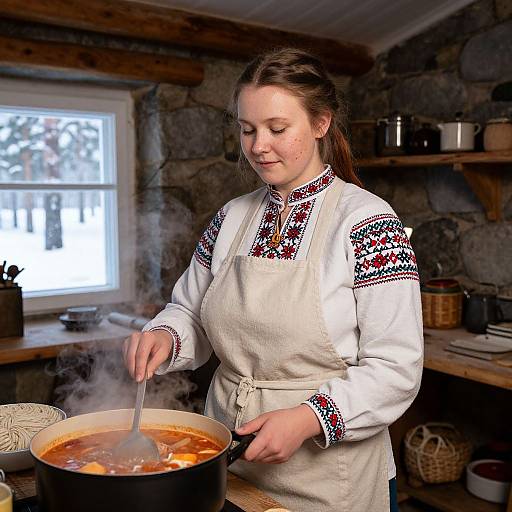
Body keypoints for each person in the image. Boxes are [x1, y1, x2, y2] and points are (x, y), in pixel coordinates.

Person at [124, 48, 423, 512]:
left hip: (330, 479)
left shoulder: (368, 223)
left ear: (321, 123)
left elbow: (397, 368)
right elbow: (192, 311)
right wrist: (165, 334)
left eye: (277, 129)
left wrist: (307, 419)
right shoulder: (231, 217)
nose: (258, 145)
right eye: (247, 130)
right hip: (231, 462)